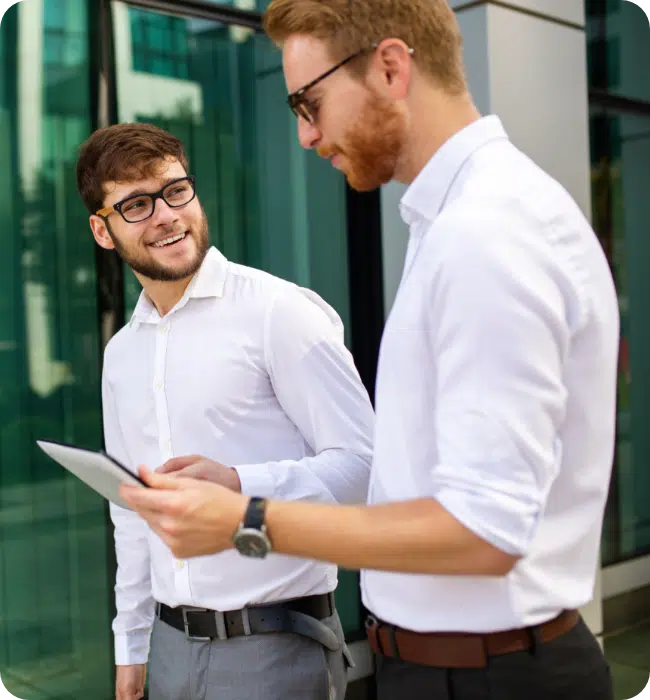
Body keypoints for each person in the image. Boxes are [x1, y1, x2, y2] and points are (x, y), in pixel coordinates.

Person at [120, 1, 620, 699]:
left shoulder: (485, 234)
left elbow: (485, 530)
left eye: (311, 101)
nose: (304, 134)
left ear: (390, 67)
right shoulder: (459, 221)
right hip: (457, 666)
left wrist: (246, 521)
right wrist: (239, 484)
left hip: (487, 677)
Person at [76, 122, 375, 700]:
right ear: (102, 230)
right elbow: (132, 513)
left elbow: (365, 468)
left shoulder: (279, 313)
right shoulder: (122, 354)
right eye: (136, 204)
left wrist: (239, 487)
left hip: (279, 644)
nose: (165, 215)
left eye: (175, 190)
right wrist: (131, 646)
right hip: (167, 650)